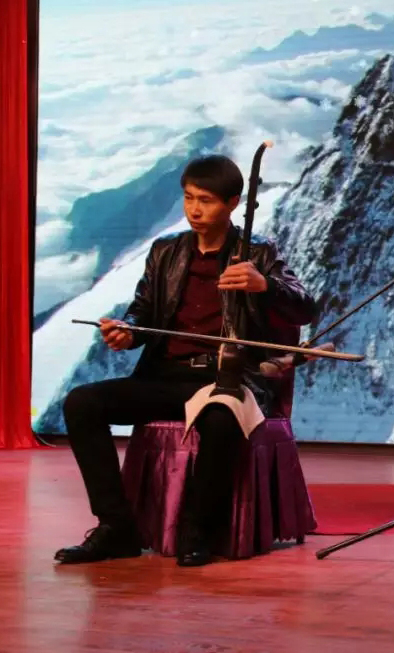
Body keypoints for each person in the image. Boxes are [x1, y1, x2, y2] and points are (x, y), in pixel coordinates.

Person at [54, 154, 317, 567]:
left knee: (220, 418)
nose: (194, 209)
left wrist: (264, 285)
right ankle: (116, 527)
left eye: (206, 201)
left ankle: (198, 532)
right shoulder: (166, 251)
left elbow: (305, 308)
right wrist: (128, 331)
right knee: (81, 403)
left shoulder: (258, 252)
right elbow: (143, 312)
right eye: (189, 198)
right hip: (165, 376)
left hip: (225, 379)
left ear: (232, 204)